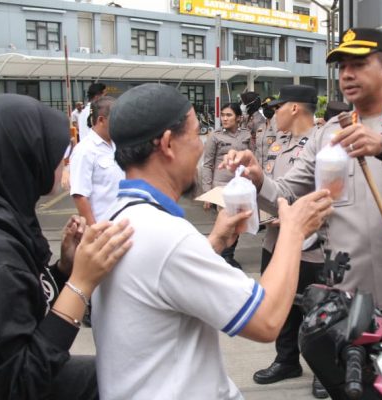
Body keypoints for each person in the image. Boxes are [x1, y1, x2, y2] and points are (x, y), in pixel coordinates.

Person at [223, 28, 382, 363]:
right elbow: (287, 193)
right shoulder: (327, 135)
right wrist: (258, 178)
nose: (347, 74)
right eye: (342, 67)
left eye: (359, 64)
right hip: (348, 300)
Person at [91, 83, 332, 399]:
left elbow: (161, 279)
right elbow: (267, 319)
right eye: (194, 135)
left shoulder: (119, 216)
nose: (202, 146)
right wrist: (293, 231)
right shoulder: (167, 236)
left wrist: (215, 241)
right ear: (166, 144)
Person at [0, 94, 133, 399]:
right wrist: (81, 283)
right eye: (56, 154)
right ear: (24, 157)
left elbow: (16, 304)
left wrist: (62, 271)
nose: (63, 163)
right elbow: (20, 382)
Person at [250, 85, 327, 398]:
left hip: (311, 244)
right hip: (275, 238)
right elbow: (274, 186)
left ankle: (323, 369)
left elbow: (324, 192)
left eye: (279, 106)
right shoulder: (274, 140)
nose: (274, 112)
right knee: (281, 302)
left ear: (294, 108)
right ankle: (286, 360)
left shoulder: (322, 143)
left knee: (317, 309)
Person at [202, 102, 251, 269]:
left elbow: (252, 158)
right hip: (221, 187)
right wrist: (207, 192)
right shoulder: (215, 137)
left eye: (228, 115)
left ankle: (229, 255)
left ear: (238, 117)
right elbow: (207, 165)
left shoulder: (246, 135)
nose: (224, 118)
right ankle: (225, 258)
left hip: (241, 186)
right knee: (227, 222)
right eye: (222, 115)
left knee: (238, 224)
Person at [69, 96, 124, 225]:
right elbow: (80, 195)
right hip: (103, 230)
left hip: (123, 227)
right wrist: (94, 233)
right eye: (116, 120)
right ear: (101, 120)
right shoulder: (85, 150)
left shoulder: (118, 145)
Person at [254, 96, 278, 169]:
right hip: (260, 169)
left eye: (270, 106)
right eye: (265, 107)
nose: (267, 109)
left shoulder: (280, 127)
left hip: (273, 169)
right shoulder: (260, 127)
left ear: (276, 108)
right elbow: (257, 149)